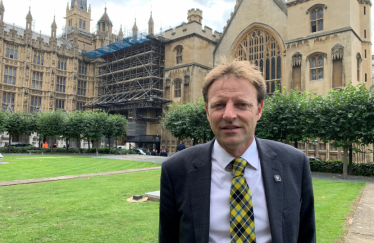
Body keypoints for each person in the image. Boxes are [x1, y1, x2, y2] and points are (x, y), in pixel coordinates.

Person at [159, 59, 316, 243]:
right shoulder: (176, 170)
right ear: (207, 111)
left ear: (259, 110)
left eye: (242, 104)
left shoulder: (295, 163)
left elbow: (306, 236)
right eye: (219, 105)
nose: (229, 115)